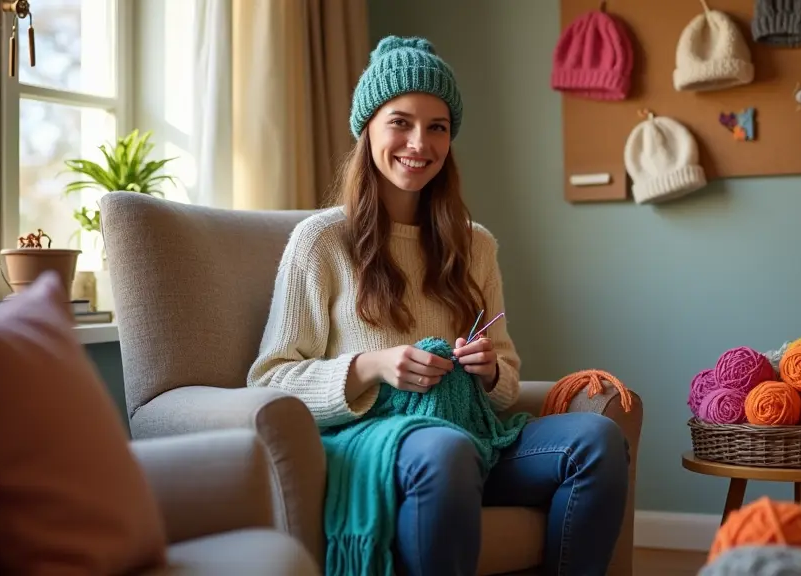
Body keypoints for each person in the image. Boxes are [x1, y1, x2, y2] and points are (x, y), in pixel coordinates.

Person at [248, 35, 629, 576]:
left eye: (437, 127)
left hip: (472, 436)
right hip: (377, 441)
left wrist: (489, 367)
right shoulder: (320, 242)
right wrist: (373, 366)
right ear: (369, 130)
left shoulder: (476, 245)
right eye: (400, 122)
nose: (418, 142)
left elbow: (508, 377)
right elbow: (268, 381)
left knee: (596, 439)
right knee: (446, 450)